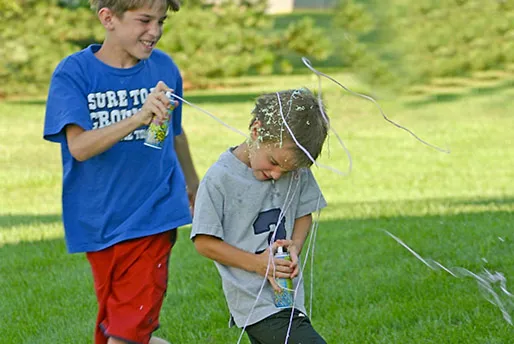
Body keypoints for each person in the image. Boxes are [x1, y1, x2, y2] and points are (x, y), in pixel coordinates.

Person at [43, 1, 198, 343]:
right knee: (118, 331)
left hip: (153, 216)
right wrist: (137, 118)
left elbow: (175, 132)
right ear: (108, 18)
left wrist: (192, 182)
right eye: (144, 20)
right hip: (99, 222)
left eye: (161, 21)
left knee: (125, 335)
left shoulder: (164, 68)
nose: (155, 31)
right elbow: (79, 147)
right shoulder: (74, 73)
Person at [191, 88, 328, 344]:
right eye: (274, 162)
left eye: (287, 171)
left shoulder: (293, 169)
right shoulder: (220, 179)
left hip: (288, 295)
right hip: (252, 300)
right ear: (257, 131)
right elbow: (204, 242)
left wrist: (295, 246)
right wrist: (259, 264)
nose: (278, 175)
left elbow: (303, 213)